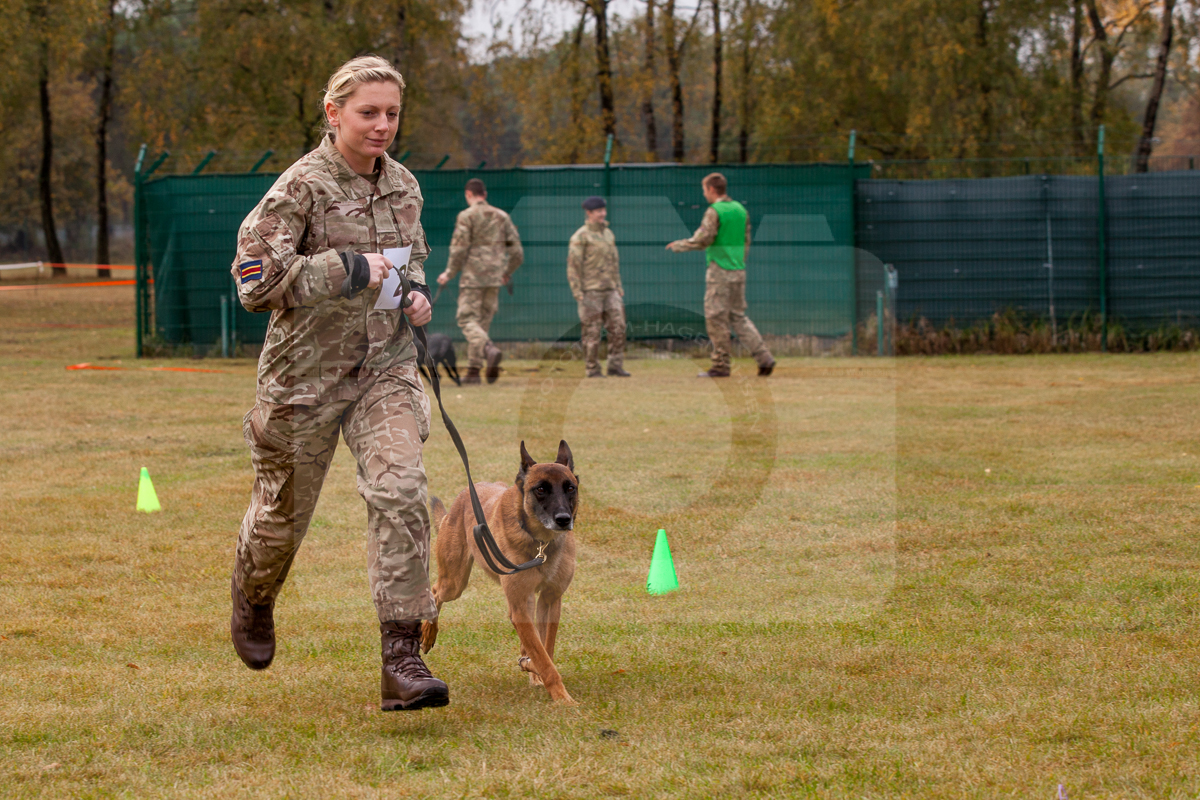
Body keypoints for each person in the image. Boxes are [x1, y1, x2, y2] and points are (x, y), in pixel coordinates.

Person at [228, 55, 450, 712]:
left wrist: (413, 298)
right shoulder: (299, 190)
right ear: (334, 113)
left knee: (401, 488)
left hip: (383, 371)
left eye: (392, 114)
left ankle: (401, 655)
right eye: (368, 112)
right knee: (280, 522)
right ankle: (255, 594)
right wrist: (349, 268)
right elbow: (254, 284)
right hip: (304, 381)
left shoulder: (405, 186)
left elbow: (406, 270)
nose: (382, 125)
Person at [666, 172, 776, 378]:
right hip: (738, 269)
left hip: (720, 271)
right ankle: (764, 357)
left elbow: (704, 239)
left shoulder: (714, 211)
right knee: (738, 317)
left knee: (716, 319)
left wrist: (679, 245)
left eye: (704, 190)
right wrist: (739, 261)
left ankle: (720, 366)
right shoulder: (740, 209)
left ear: (711, 189)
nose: (704, 194)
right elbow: (746, 239)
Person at [436, 178, 523, 385]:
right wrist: (506, 272)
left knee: (466, 320)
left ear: (468, 194)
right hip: (494, 278)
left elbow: (459, 247)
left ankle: (487, 349)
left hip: (473, 277)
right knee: (481, 323)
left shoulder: (467, 216)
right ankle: (474, 372)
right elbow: (517, 252)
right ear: (484, 194)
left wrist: (449, 273)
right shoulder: (502, 217)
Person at [568, 196, 629, 378]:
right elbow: (573, 265)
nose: (603, 214)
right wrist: (577, 291)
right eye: (598, 211)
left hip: (610, 289)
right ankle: (592, 368)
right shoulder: (580, 236)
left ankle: (615, 366)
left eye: (604, 210)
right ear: (589, 213)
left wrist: (618, 285)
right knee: (592, 331)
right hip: (590, 290)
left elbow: (614, 262)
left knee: (619, 327)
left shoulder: (609, 234)